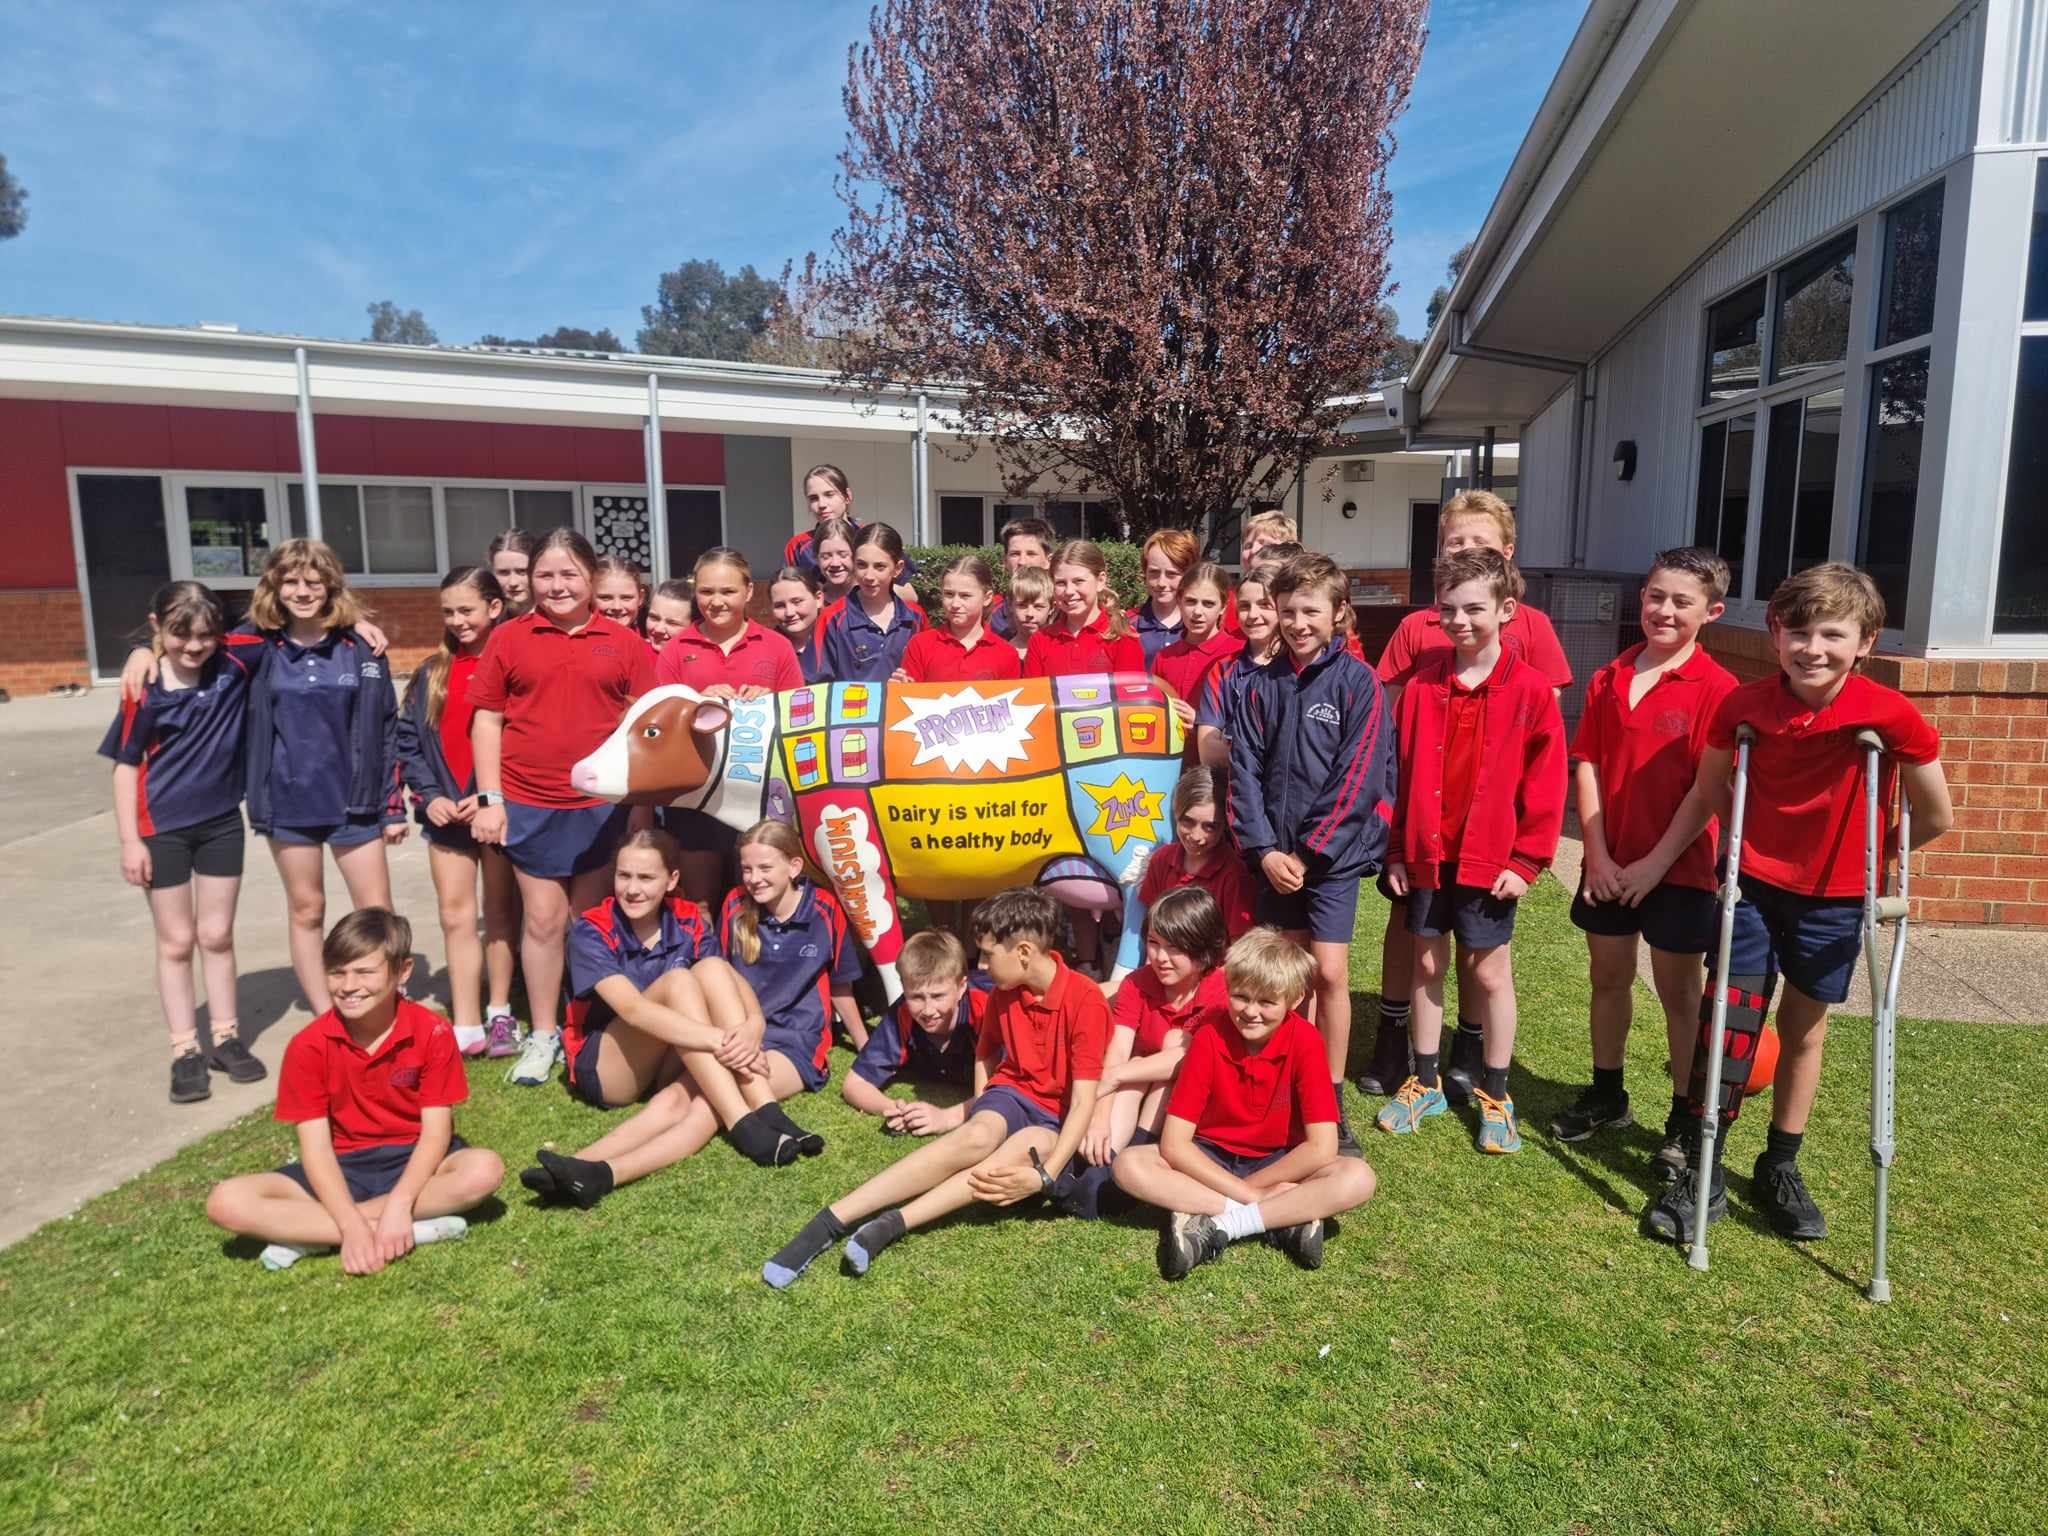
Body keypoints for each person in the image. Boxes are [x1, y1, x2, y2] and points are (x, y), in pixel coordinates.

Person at [1640, 563, 1952, 1245]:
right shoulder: (1744, 707)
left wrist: (1886, 855)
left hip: (1836, 898)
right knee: (1729, 1020)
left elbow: (1937, 812)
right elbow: (1716, 785)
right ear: (1776, 635)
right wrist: (1748, 850)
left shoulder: (1888, 713)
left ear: (1865, 641)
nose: (1814, 648)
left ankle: (1779, 1164)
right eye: (1799, 632)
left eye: (1833, 635)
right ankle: (1705, 1164)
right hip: (1752, 886)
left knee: (1805, 1028)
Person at [761, 886, 1107, 1287]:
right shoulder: (1004, 992)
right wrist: (983, 1102)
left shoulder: (1086, 1000)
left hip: (1053, 1119)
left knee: (1014, 1151)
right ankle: (830, 1220)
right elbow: (986, 1051)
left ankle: (891, 1225)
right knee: (977, 1135)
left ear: (1024, 953)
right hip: (1013, 1093)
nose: (983, 964)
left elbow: (1083, 1101)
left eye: (988, 955)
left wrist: (1046, 1175)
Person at [113, 543, 404, 1019]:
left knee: (377, 914)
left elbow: (385, 728)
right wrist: (142, 651)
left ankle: (384, 1008)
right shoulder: (254, 646)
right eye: (290, 581)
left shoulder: (361, 648)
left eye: (313, 581)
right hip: (288, 803)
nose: (302, 591)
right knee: (307, 911)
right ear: (273, 585)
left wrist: (392, 806)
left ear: (331, 584)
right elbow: (193, 640)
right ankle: (327, 1017)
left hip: (357, 803)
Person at [1362, 490, 1575, 1103]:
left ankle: (1489, 1079)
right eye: (1447, 610)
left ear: (1507, 606)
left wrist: (1528, 858)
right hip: (1426, 851)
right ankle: (1420, 1076)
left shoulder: (1530, 682)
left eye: (1473, 610)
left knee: (1487, 965)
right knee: (1425, 957)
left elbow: (1543, 774)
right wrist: (1397, 846)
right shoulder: (1424, 684)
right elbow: (1397, 766)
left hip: (1488, 852)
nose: (1459, 621)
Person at [517, 830, 823, 1208]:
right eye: (624, 876)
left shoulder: (688, 918)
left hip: (673, 1055)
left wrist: (753, 1026)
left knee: (710, 969)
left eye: (646, 878)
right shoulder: (591, 929)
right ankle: (742, 1120)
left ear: (672, 880)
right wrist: (720, 1040)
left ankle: (587, 1169)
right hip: (611, 1065)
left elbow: (728, 977)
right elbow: (633, 1010)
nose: (632, 889)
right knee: (679, 980)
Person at [1553, 547, 1737, 1172]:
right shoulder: (1609, 678)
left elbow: (1707, 791)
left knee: (1679, 993)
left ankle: (1686, 1118)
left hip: (1678, 869)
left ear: (1710, 611)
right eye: (1656, 596)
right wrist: (1596, 854)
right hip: (1609, 864)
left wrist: (1656, 865)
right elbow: (1590, 765)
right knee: (1608, 977)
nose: (1664, 610)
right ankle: (1608, 1092)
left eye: (1681, 602)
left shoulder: (1719, 689)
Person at [203, 909, 504, 1273]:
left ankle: (311, 1232)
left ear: (403, 971)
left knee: (484, 1169)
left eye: (364, 971)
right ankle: (394, 1228)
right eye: (337, 972)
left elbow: (436, 1133)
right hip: (342, 1167)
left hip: (416, 1159)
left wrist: (399, 1203)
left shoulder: (433, 1031)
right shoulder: (307, 1046)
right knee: (225, 1202)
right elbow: (315, 1149)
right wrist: (350, 1225)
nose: (348, 985)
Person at [470, 527, 657, 1088]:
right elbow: (487, 718)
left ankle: (588, 1025)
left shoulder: (623, 642)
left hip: (601, 807)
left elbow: (644, 723)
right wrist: (490, 799)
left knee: (589, 924)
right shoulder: (509, 637)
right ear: (530, 580)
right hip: (529, 801)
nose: (556, 585)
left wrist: (641, 806)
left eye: (568, 574)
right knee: (544, 922)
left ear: (591, 579)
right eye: (545, 575)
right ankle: (545, 1034)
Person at [1226, 552, 1395, 1155]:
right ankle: (1283, 1084)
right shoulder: (1257, 686)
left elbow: (1360, 777)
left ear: (1338, 614)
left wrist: (1313, 851)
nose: (1298, 623)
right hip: (1275, 859)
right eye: (1288, 610)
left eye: (1311, 611)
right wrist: (1266, 850)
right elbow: (1242, 773)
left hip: (1331, 861)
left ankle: (1329, 1096)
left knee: (1329, 973)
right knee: (1289, 977)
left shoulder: (1359, 684)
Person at [1112, 927, 1377, 1279]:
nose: (1251, 1011)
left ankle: (1218, 1225)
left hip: (1280, 1160)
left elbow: (1322, 1147)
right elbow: (1175, 1144)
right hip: (1209, 1157)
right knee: (1129, 1165)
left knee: (1357, 1176)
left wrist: (1258, 1184)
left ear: (1295, 999)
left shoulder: (1308, 1042)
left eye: (1267, 1002)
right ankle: (1283, 1219)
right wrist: (1254, 1194)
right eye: (1240, 997)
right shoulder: (1209, 1038)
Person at [101, 581, 263, 1104]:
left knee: (216, 935)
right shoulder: (142, 688)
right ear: (156, 627)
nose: (194, 647)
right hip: (160, 831)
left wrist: (361, 626)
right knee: (176, 942)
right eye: (179, 635)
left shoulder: (234, 662)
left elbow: (288, 628)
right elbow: (126, 769)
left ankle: (225, 1037)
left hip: (220, 823)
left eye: (205, 635)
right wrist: (131, 841)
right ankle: (185, 1049)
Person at [397, 567, 520, 1059]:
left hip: (497, 811)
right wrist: (429, 796)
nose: (457, 620)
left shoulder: (514, 665)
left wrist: (495, 793)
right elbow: (409, 742)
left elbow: (524, 740)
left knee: (499, 914)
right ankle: (465, 1022)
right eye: (448, 611)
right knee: (455, 916)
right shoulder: (432, 672)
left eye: (466, 609)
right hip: (446, 816)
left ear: (494, 608)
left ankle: (498, 1012)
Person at [653, 547, 804, 906]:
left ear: (749, 592)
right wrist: (695, 701)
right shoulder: (676, 649)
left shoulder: (776, 646)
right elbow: (659, 725)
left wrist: (772, 702)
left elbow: (800, 721)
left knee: (759, 902)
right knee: (699, 903)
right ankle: (705, 963)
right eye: (706, 592)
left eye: (727, 591)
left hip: (759, 798)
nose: (716, 601)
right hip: (694, 798)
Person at [1071, 887, 1231, 1216]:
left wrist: (1115, 1075)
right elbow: (1116, 1050)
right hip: (1138, 1082)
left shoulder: (1220, 988)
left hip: (1197, 1095)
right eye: (1154, 943)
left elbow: (1185, 1058)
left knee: (1172, 1051)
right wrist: (1099, 1117)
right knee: (1136, 1070)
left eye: (1174, 949)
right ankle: (1105, 1158)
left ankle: (1138, 1150)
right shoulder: (1138, 984)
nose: (1160, 957)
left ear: (1203, 950)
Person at [719, 819, 870, 1086]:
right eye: (746, 869)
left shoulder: (824, 908)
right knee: (688, 1092)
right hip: (740, 1031)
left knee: (736, 1088)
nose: (754, 879)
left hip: (797, 1038)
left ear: (794, 867)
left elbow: (840, 985)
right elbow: (719, 976)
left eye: (765, 868)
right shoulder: (735, 904)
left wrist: (866, 1046)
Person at [1110, 765, 1255, 978]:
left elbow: (1240, 951)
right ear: (1176, 813)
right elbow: (1154, 930)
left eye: (1210, 826)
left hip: (1210, 982)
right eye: (1188, 821)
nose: (1196, 836)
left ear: (1224, 825)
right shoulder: (1161, 860)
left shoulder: (1234, 873)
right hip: (1162, 974)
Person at [841, 929, 985, 1133]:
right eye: (916, 997)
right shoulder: (902, 1013)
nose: (928, 1009)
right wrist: (892, 1109)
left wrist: (945, 1118)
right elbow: (854, 1084)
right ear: (903, 987)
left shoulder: (985, 1010)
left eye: (938, 996)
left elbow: (1008, 1088)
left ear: (962, 987)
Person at [1193, 562, 1276, 769]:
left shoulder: (1298, 667)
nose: (1253, 614)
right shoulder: (1223, 670)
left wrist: (1234, 746)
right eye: (1245, 606)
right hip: (1236, 792)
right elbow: (1208, 752)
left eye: (1265, 604)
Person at [819, 522, 922, 683]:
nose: (868, 575)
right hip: (850, 707)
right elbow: (817, 684)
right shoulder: (832, 618)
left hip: (902, 707)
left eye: (879, 567)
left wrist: (909, 684)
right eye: (861, 565)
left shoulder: (915, 617)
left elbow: (927, 679)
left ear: (898, 568)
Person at [1024, 539, 1143, 677]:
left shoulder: (1122, 637)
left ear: (1100, 581)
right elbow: (1034, 696)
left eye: (1078, 581)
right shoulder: (1040, 640)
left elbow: (1130, 695)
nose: (1069, 591)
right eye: (1061, 583)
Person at [894, 553, 1021, 684]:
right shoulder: (920, 645)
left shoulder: (1006, 653)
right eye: (949, 594)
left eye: (965, 596)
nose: (955, 604)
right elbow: (909, 700)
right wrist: (901, 688)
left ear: (987, 598)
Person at [1150, 562, 1240, 746]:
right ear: (1179, 600)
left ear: (1223, 606)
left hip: (1218, 767)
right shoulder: (1165, 657)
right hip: (1171, 764)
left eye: (1208, 604)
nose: (1197, 612)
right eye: (1190, 601)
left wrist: (1201, 721)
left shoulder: (1238, 652)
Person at [1133, 529, 1199, 666]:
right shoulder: (1129, 626)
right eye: (1154, 573)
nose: (1161, 583)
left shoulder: (1200, 623)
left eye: (1171, 574)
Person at [988, 515, 1056, 644]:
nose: (1022, 562)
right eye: (1015, 554)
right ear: (1005, 560)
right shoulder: (991, 613)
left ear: (1049, 560)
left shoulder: (1066, 612)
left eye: (1031, 554)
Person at [769, 564, 827, 683]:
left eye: (797, 602)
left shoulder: (838, 639)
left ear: (818, 599)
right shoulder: (767, 646)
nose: (789, 612)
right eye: (779, 605)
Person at [999, 565, 1053, 662]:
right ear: (1010, 605)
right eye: (1022, 606)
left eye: (1038, 607)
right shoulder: (1000, 652)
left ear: (1052, 608)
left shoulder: (1058, 650)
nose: (1030, 613)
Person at [486, 527, 538, 617]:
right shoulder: (487, 618)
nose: (513, 582)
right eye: (504, 572)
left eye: (522, 571)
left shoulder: (558, 617)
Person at [592, 556, 647, 632]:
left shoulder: (646, 643)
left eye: (626, 598)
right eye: (606, 598)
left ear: (640, 597)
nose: (617, 607)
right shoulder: (577, 642)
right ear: (589, 597)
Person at [644, 578, 693, 654]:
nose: (659, 629)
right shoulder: (635, 652)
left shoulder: (702, 661)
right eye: (654, 618)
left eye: (672, 623)